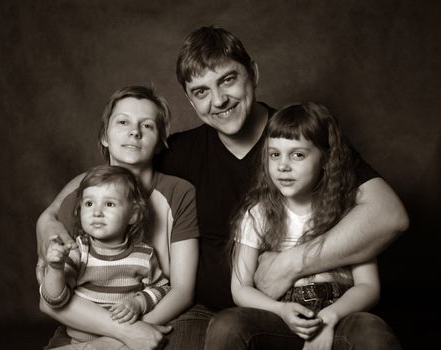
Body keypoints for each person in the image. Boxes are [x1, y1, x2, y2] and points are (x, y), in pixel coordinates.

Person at [152, 25, 409, 348]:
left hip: (329, 309)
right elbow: (112, 181)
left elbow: (390, 216)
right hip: (212, 312)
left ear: (254, 74)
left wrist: (290, 264)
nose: (218, 100)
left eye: (228, 80)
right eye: (201, 92)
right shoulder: (180, 152)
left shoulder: (300, 138)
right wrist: (64, 221)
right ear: (190, 101)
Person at [204, 103, 402, 349]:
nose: (283, 165)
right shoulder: (258, 213)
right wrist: (281, 310)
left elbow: (368, 286)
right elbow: (241, 289)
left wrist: (329, 318)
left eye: (297, 154)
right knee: (227, 325)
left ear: (326, 160)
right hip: (280, 316)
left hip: (339, 314)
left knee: (372, 333)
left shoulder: (348, 211)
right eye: (274, 154)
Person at [36, 86, 199, 350]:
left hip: (154, 315)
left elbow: (181, 290)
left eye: (147, 126)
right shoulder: (82, 195)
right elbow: (50, 297)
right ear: (104, 136)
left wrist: (126, 337)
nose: (134, 131)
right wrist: (123, 334)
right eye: (123, 122)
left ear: (160, 143)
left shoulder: (178, 192)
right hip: (84, 325)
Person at [41, 165, 171, 347]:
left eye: (109, 204)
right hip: (74, 340)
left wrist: (138, 302)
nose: (96, 212)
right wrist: (55, 269)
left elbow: (162, 289)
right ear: (80, 210)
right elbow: (55, 299)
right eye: (89, 203)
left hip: (121, 342)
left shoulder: (143, 255)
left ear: (133, 215)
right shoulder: (78, 251)